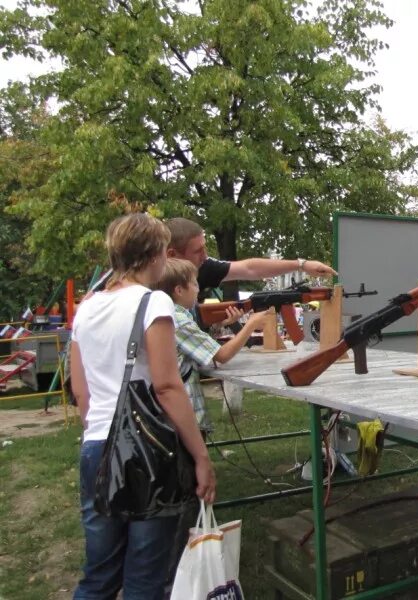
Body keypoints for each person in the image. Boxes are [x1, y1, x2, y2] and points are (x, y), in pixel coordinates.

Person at [70, 213, 215, 599]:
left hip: (96, 446)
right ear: (155, 255)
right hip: (149, 452)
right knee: (145, 578)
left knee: (99, 573)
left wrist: (101, 434)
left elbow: (81, 394)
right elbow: (167, 386)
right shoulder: (154, 304)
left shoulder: (86, 309)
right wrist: (200, 456)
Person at [155, 257, 269, 435]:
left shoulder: (172, 316)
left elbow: (195, 344)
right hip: (184, 417)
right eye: (194, 284)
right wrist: (250, 325)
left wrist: (221, 324)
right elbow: (221, 355)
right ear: (178, 290)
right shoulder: (179, 321)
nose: (198, 289)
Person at [165, 217, 337, 300]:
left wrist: (302, 265)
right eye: (197, 251)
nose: (205, 256)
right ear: (171, 255)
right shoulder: (150, 284)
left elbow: (249, 268)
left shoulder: (204, 267)